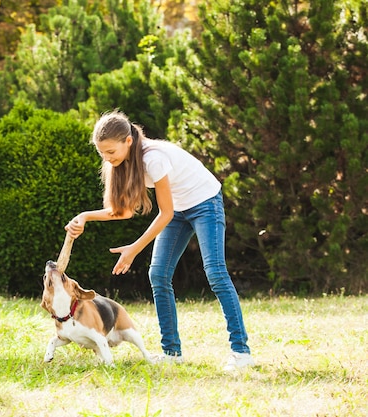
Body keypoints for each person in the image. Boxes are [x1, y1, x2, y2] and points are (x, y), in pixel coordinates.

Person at [64, 110, 254, 371]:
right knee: (159, 275)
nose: (106, 159)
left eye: (110, 152)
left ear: (127, 141)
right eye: (102, 153)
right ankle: (172, 351)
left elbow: (165, 213)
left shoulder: (153, 158)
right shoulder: (121, 164)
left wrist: (134, 249)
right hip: (177, 209)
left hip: (204, 202)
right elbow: (124, 210)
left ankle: (241, 352)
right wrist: (85, 216)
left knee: (216, 272)